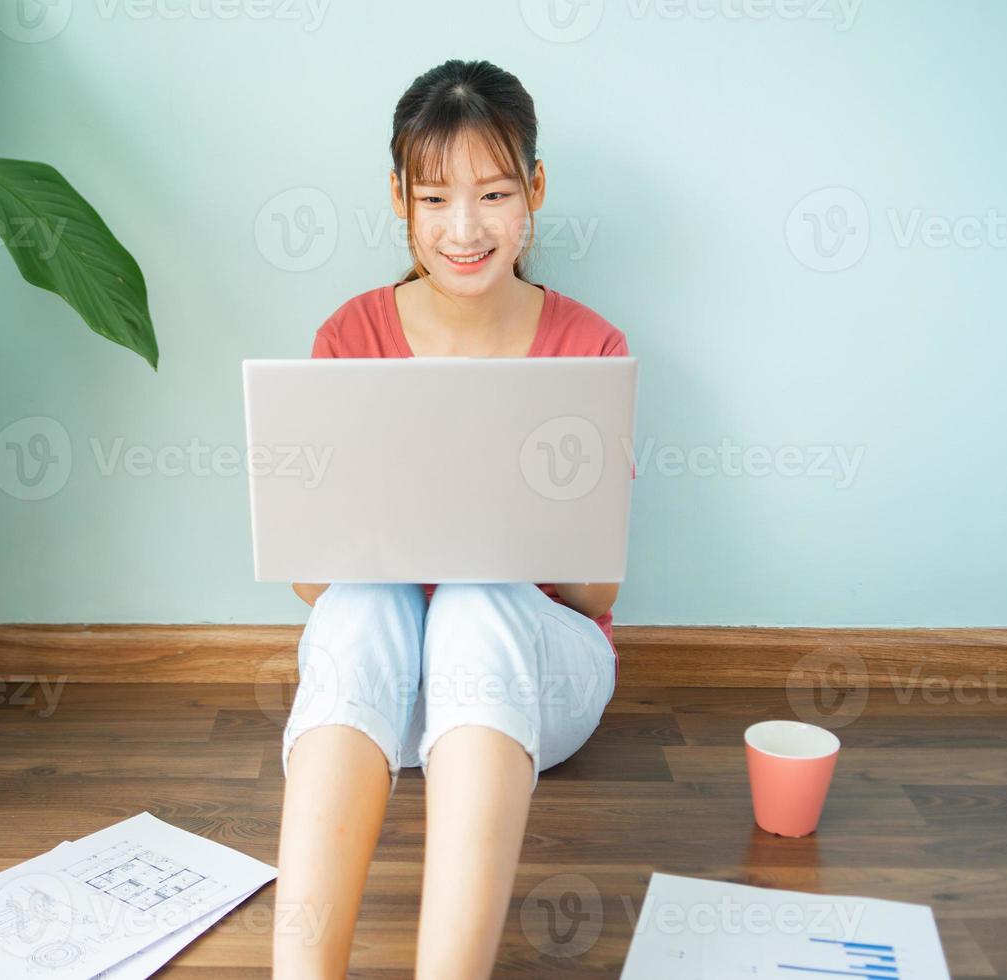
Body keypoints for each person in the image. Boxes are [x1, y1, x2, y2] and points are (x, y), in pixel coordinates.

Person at [271, 58, 632, 979]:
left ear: (535, 192)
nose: (464, 229)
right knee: (360, 606)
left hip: (536, 678)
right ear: (400, 200)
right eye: (434, 198)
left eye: (494, 193)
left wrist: (504, 537)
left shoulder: (589, 347)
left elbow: (596, 593)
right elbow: (318, 585)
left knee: (476, 596)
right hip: (390, 690)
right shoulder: (348, 337)